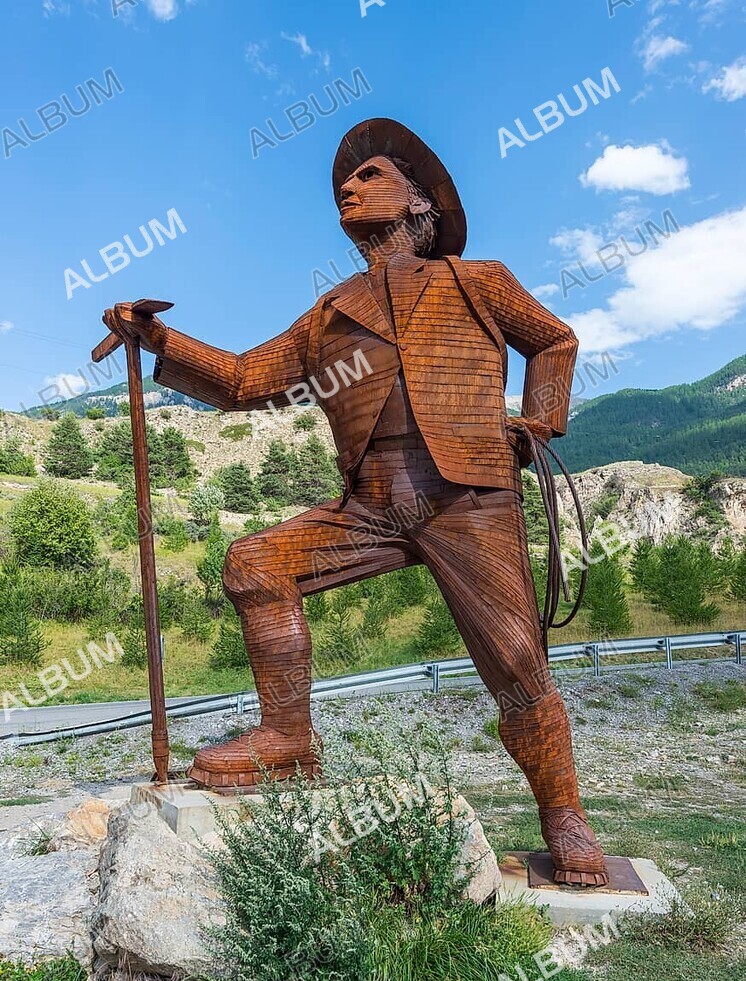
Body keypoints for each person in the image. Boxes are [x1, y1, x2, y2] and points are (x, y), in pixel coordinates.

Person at [104, 118, 607, 885]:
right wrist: (161, 344)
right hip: (371, 504)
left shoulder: (480, 281)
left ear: (420, 202)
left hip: (468, 494)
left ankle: (563, 813)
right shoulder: (331, 313)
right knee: (254, 559)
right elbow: (242, 380)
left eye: (369, 175)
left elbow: (555, 341)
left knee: (514, 658)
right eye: (345, 181)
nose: (348, 186)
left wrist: (539, 419)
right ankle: (289, 738)